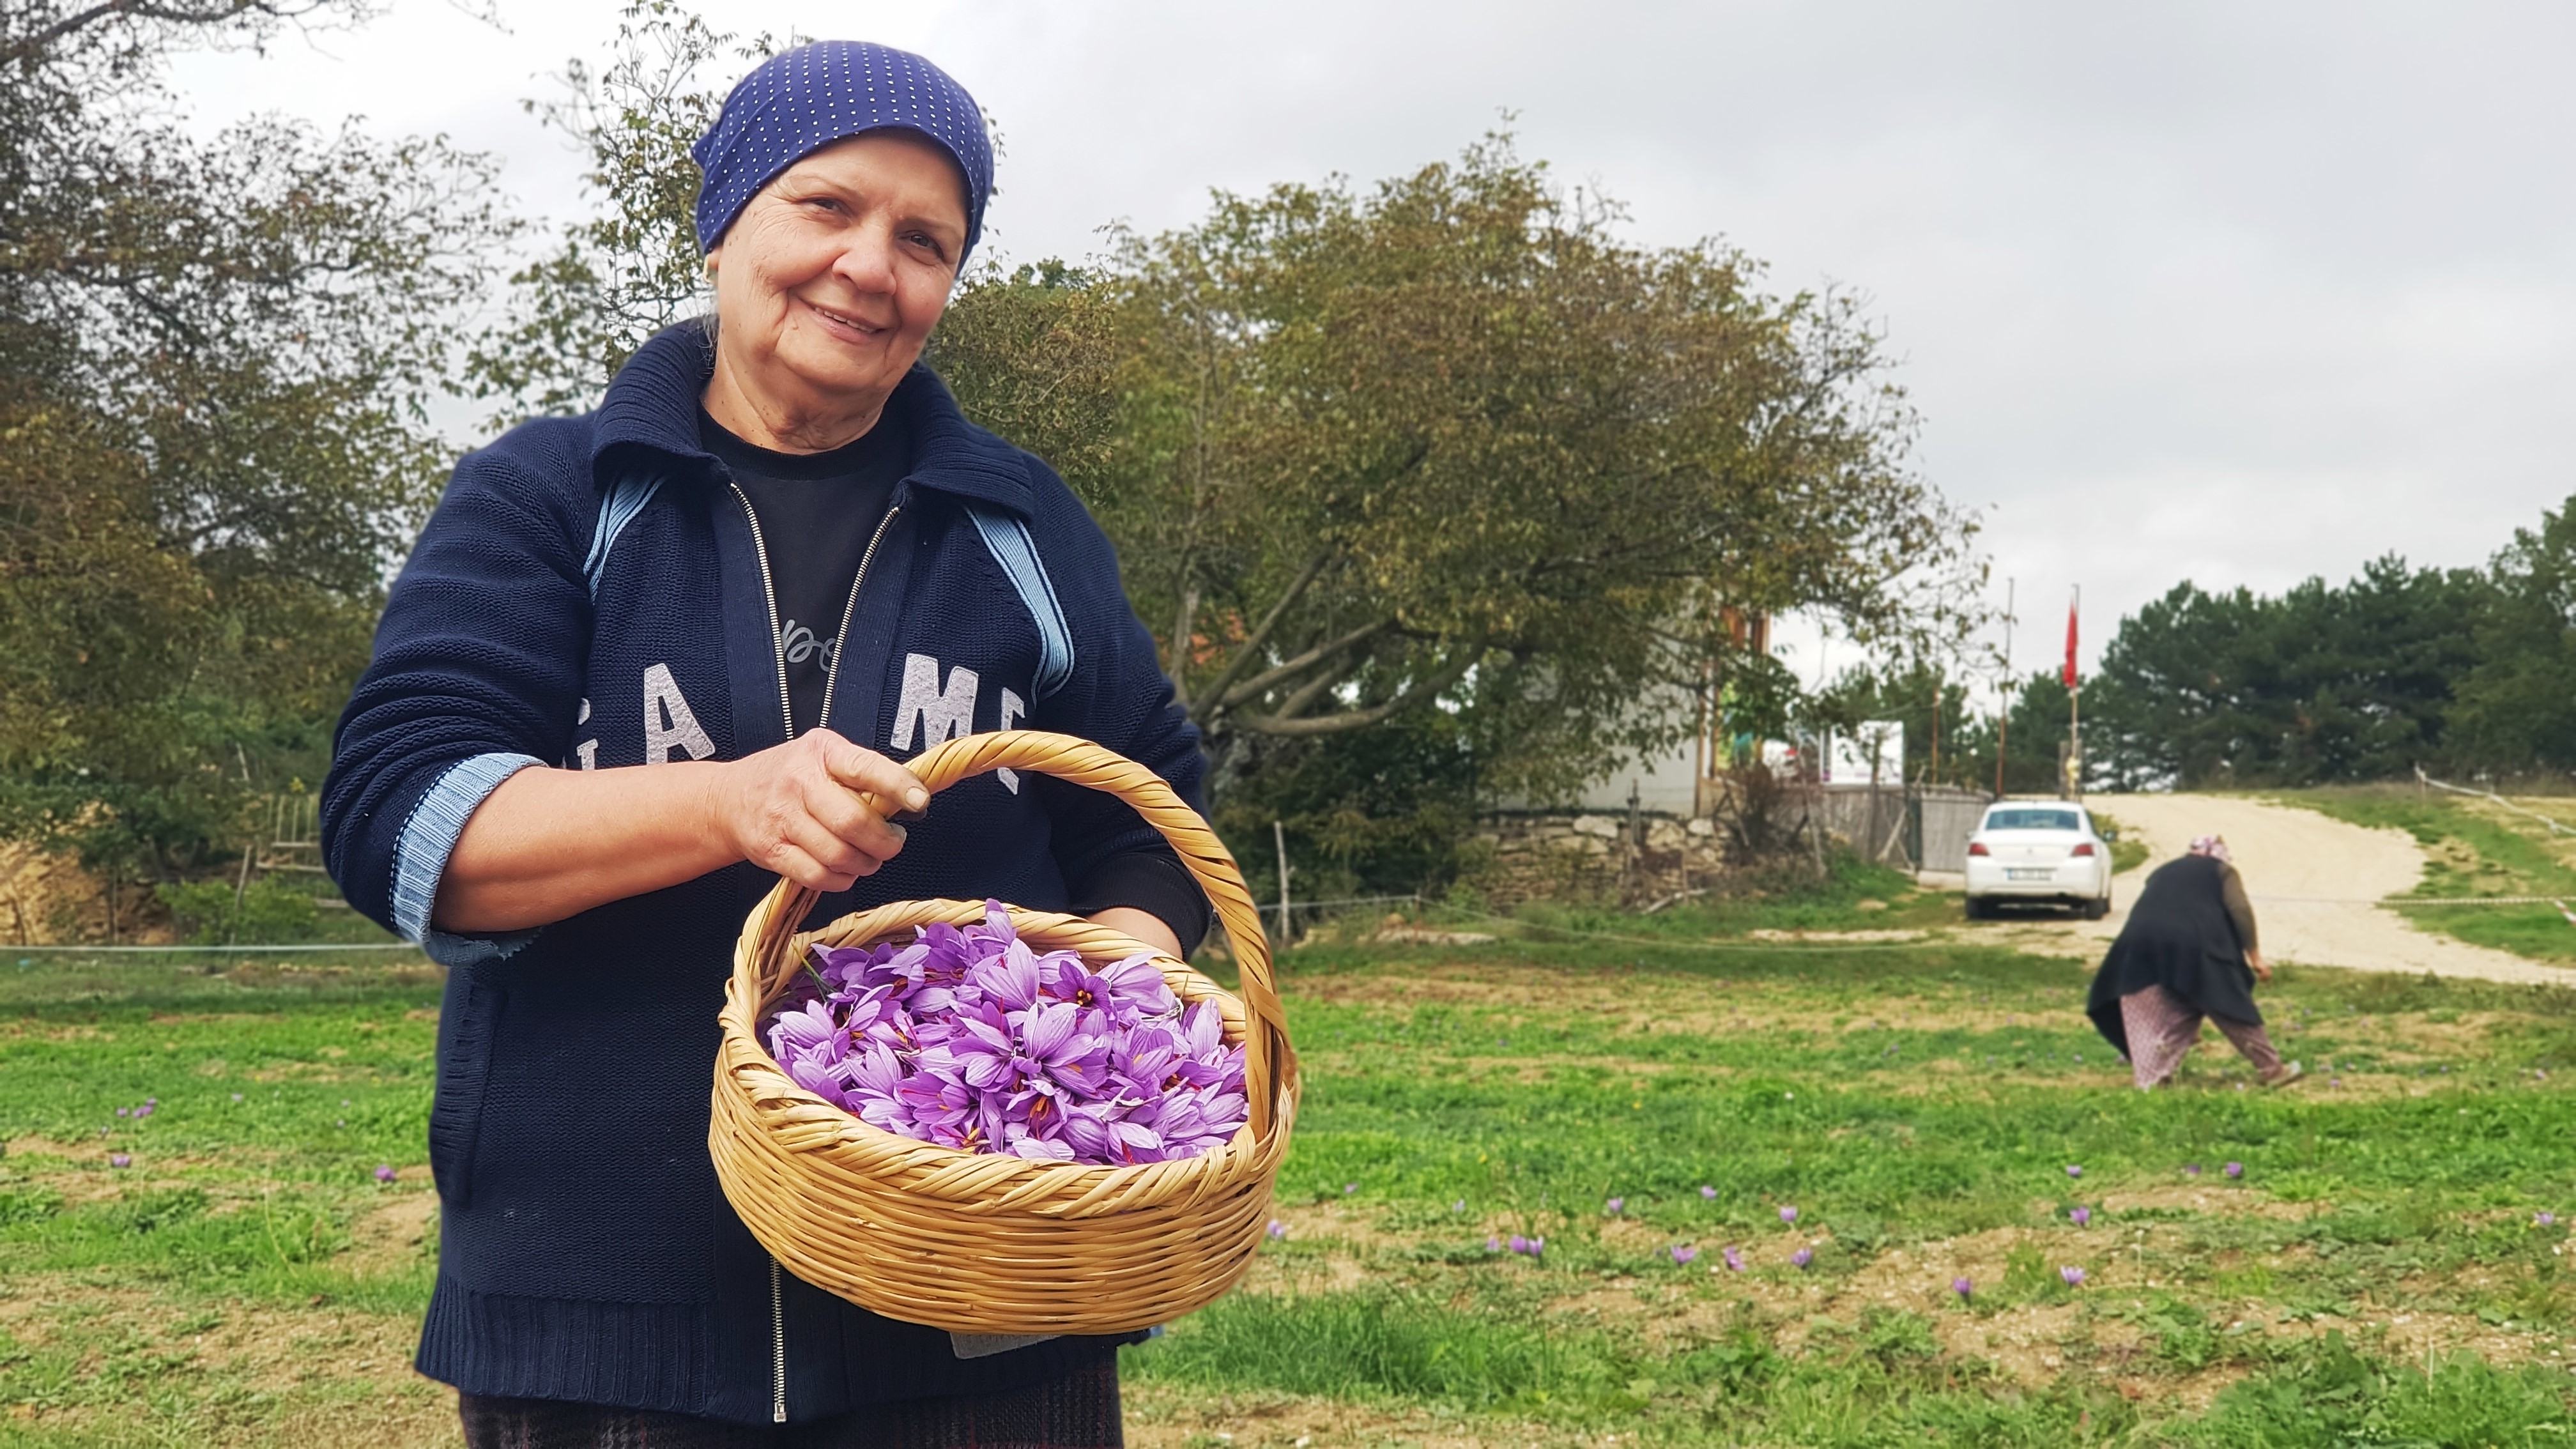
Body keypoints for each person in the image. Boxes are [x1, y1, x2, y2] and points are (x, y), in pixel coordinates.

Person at [321, 41, 1207, 1446]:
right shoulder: (551, 494)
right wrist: (731, 803)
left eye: (927, 240)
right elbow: (401, 822)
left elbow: (1145, 805)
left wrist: (1119, 1009)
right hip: (608, 1316)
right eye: (826, 207)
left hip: (982, 1310)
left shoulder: (1020, 523)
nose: (872, 266)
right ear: (727, 219)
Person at [2085, 836, 2303, 1090]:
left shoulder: (2163, 871)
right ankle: (2272, 1070)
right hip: (2195, 943)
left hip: (2138, 943)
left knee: (2146, 1014)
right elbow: (2239, 909)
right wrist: (2255, 956)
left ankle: (2149, 1079)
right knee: (2227, 1004)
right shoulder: (2222, 871)